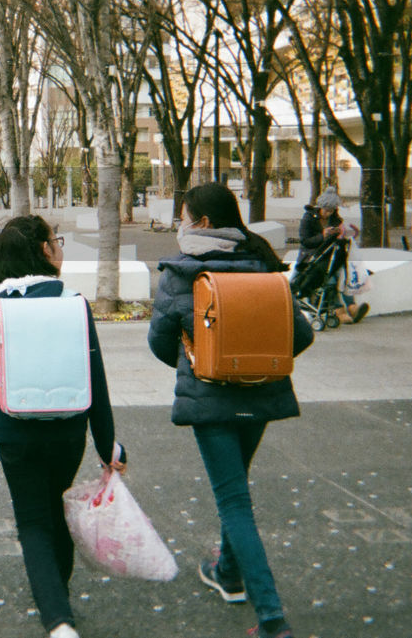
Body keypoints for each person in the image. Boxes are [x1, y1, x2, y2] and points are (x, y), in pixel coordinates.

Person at [148, 182, 315, 638]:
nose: (179, 224)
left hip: (211, 403)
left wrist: (202, 361)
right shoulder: (264, 265)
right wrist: (257, 361)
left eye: (183, 216)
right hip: (260, 398)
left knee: (234, 502)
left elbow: (158, 342)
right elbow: (301, 336)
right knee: (235, 486)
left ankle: (272, 619)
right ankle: (228, 573)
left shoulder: (181, 273)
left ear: (201, 223)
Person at [0, 215, 125, 638]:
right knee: (58, 509)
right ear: (43, 251)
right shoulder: (73, 302)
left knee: (33, 521)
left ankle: (57, 618)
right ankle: (59, 591)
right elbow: (96, 377)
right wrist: (108, 444)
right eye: (55, 239)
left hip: (17, 435)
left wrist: (6, 396)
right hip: (69, 431)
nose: (59, 245)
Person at [298, 188, 368, 324]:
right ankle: (339, 310)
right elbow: (305, 241)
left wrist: (346, 235)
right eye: (326, 210)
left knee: (342, 275)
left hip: (330, 256)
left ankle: (352, 307)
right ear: (320, 207)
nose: (328, 213)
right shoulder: (308, 218)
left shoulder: (335, 220)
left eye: (331, 210)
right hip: (313, 257)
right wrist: (322, 236)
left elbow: (339, 240)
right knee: (330, 279)